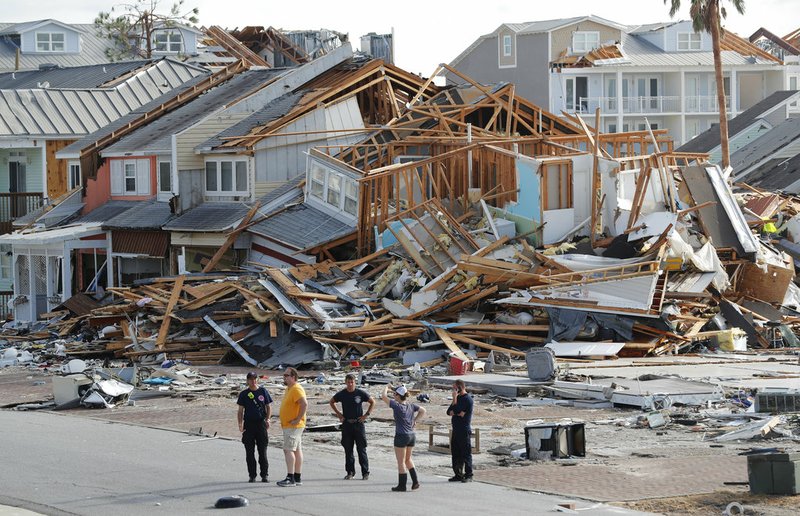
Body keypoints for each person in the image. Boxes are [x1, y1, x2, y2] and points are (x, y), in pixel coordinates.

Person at [330, 373, 375, 480]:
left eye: (352, 382)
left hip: (359, 424)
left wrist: (366, 415)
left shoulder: (360, 393)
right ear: (345, 382)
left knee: (361, 449)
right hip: (347, 424)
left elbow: (372, 402)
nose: (350, 384)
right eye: (348, 382)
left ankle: (365, 473)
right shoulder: (342, 394)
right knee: (348, 449)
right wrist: (339, 414)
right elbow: (331, 401)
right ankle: (350, 472)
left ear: (355, 382)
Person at [381, 383, 426, 492]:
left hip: (401, 435)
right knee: (408, 459)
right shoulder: (411, 405)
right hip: (411, 435)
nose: (394, 396)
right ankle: (415, 481)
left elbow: (383, 396)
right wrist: (415, 420)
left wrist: (386, 387)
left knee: (401, 461)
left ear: (397, 395)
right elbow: (423, 410)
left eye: (395, 394)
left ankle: (402, 485)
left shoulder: (397, 406)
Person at [236, 371, 273, 483]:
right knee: (249, 452)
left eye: (255, 379)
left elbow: (268, 407)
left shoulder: (263, 391)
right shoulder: (244, 394)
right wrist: (240, 424)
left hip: (260, 424)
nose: (253, 381)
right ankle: (252, 475)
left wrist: (268, 419)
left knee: (263, 451)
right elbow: (240, 411)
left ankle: (264, 475)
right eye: (251, 379)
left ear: (257, 380)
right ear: (247, 380)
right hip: (249, 424)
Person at [277, 367, 307, 487]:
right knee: (296, 450)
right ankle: (297, 476)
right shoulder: (289, 389)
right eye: (284, 375)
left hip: (293, 425)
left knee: (288, 449)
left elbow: (304, 404)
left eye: (286, 375)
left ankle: (290, 477)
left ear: (293, 377)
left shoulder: (296, 388)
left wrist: (298, 419)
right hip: (290, 425)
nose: (284, 377)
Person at [446, 379, 474, 483]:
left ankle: (469, 474)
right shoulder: (457, 399)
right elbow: (449, 412)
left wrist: (454, 399)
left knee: (466, 453)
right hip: (456, 430)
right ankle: (458, 474)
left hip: (463, 430)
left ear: (459, 388)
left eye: (454, 388)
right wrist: (456, 408)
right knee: (456, 453)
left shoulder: (467, 399)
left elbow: (456, 410)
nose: (453, 390)